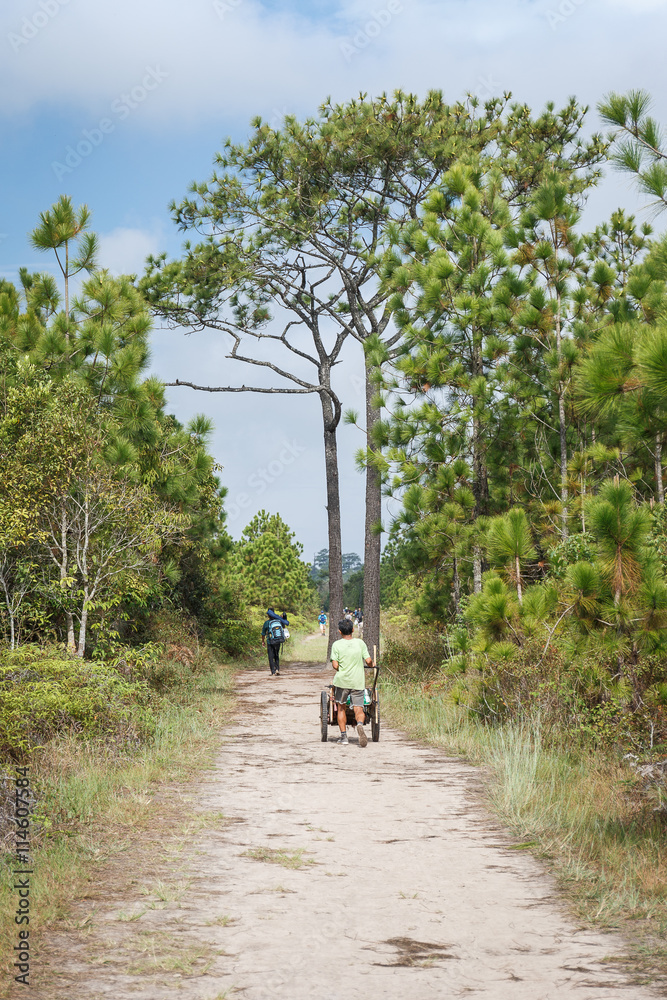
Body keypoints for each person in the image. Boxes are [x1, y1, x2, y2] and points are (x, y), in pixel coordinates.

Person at [330, 618, 373, 746]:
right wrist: (371, 665)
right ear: (353, 630)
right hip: (357, 681)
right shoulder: (360, 643)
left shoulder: (336, 645)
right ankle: (359, 724)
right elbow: (369, 661)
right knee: (359, 708)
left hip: (342, 681)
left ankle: (344, 737)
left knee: (341, 708)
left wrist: (342, 668)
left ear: (340, 631)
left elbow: (335, 665)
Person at [261, 607, 288, 676]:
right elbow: (284, 627)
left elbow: (263, 634)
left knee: (271, 656)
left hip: (270, 641)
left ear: (268, 614)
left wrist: (263, 641)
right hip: (278, 640)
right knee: (276, 654)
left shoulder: (267, 623)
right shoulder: (278, 621)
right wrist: (283, 618)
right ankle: (277, 669)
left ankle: (273, 672)